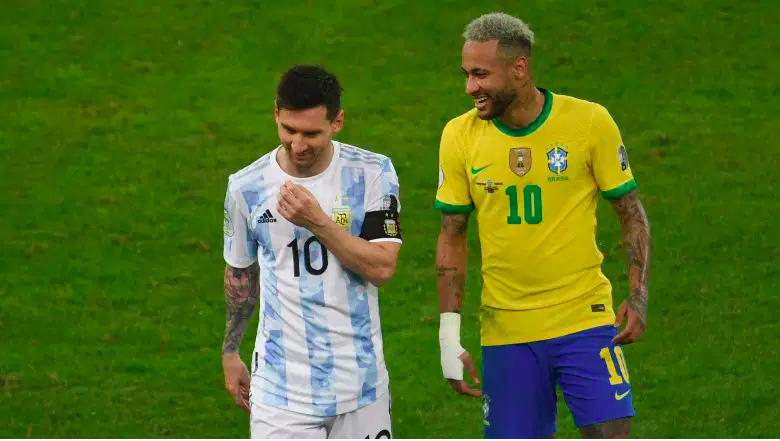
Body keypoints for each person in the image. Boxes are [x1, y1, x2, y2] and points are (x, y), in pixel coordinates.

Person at [434, 12, 652, 439]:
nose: (470, 88)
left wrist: (638, 295)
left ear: (520, 69)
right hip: (506, 331)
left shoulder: (588, 122)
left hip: (584, 320)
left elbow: (631, 214)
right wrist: (448, 335)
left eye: (481, 74)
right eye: (466, 74)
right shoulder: (459, 136)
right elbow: (451, 235)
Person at [221, 64, 402, 439]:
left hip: (361, 388)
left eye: (311, 134)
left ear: (337, 122)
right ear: (275, 114)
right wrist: (230, 350)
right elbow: (241, 275)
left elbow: (382, 267)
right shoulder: (247, 187)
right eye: (288, 130)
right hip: (280, 392)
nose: (298, 145)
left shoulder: (372, 173)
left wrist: (317, 221)